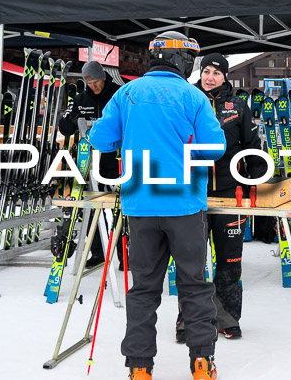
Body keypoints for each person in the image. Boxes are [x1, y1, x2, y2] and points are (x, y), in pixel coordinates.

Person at [89, 31, 226, 380]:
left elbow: (100, 138)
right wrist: (183, 151)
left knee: (144, 288)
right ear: (183, 60)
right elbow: (214, 148)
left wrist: (131, 137)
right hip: (184, 205)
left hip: (141, 205)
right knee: (194, 284)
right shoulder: (194, 97)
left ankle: (138, 367)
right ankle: (201, 362)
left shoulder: (127, 93)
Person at [175, 53, 265, 343]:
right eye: (206, 71)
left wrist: (258, 181)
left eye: (216, 72)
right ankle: (188, 320)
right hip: (193, 192)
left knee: (229, 259)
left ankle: (227, 318)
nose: (210, 76)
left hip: (229, 193)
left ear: (225, 76)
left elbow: (252, 147)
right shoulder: (187, 101)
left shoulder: (237, 106)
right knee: (192, 261)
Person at [59, 60, 125, 270]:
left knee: (121, 208)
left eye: (97, 82)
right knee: (91, 208)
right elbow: (65, 128)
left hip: (116, 159)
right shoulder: (81, 99)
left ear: (104, 77)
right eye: (90, 83)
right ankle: (97, 251)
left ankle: (125, 254)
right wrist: (72, 120)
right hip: (90, 161)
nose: (94, 87)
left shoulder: (119, 94)